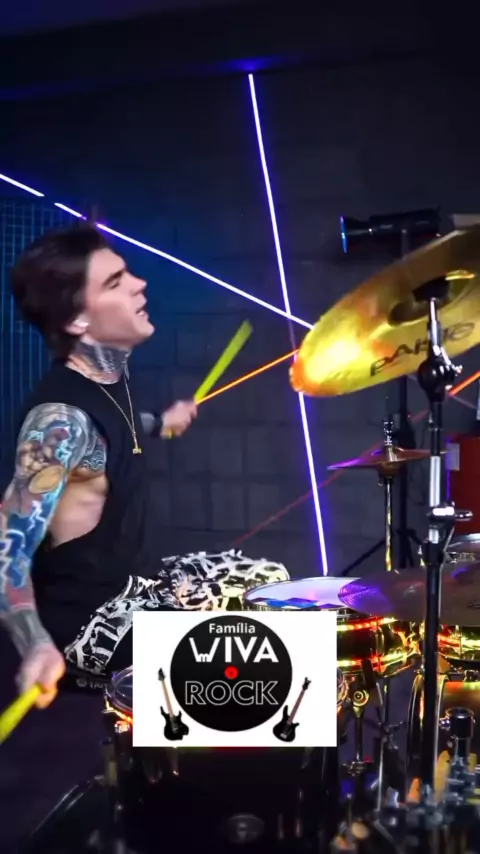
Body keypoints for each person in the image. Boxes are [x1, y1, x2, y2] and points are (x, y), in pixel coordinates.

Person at [0, 224, 289, 711]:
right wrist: (35, 644)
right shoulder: (59, 423)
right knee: (263, 657)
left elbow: (113, 427)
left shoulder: (108, 377)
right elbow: (7, 547)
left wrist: (160, 423)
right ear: (77, 320)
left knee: (272, 581)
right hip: (91, 623)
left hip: (136, 583)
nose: (140, 284)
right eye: (115, 283)